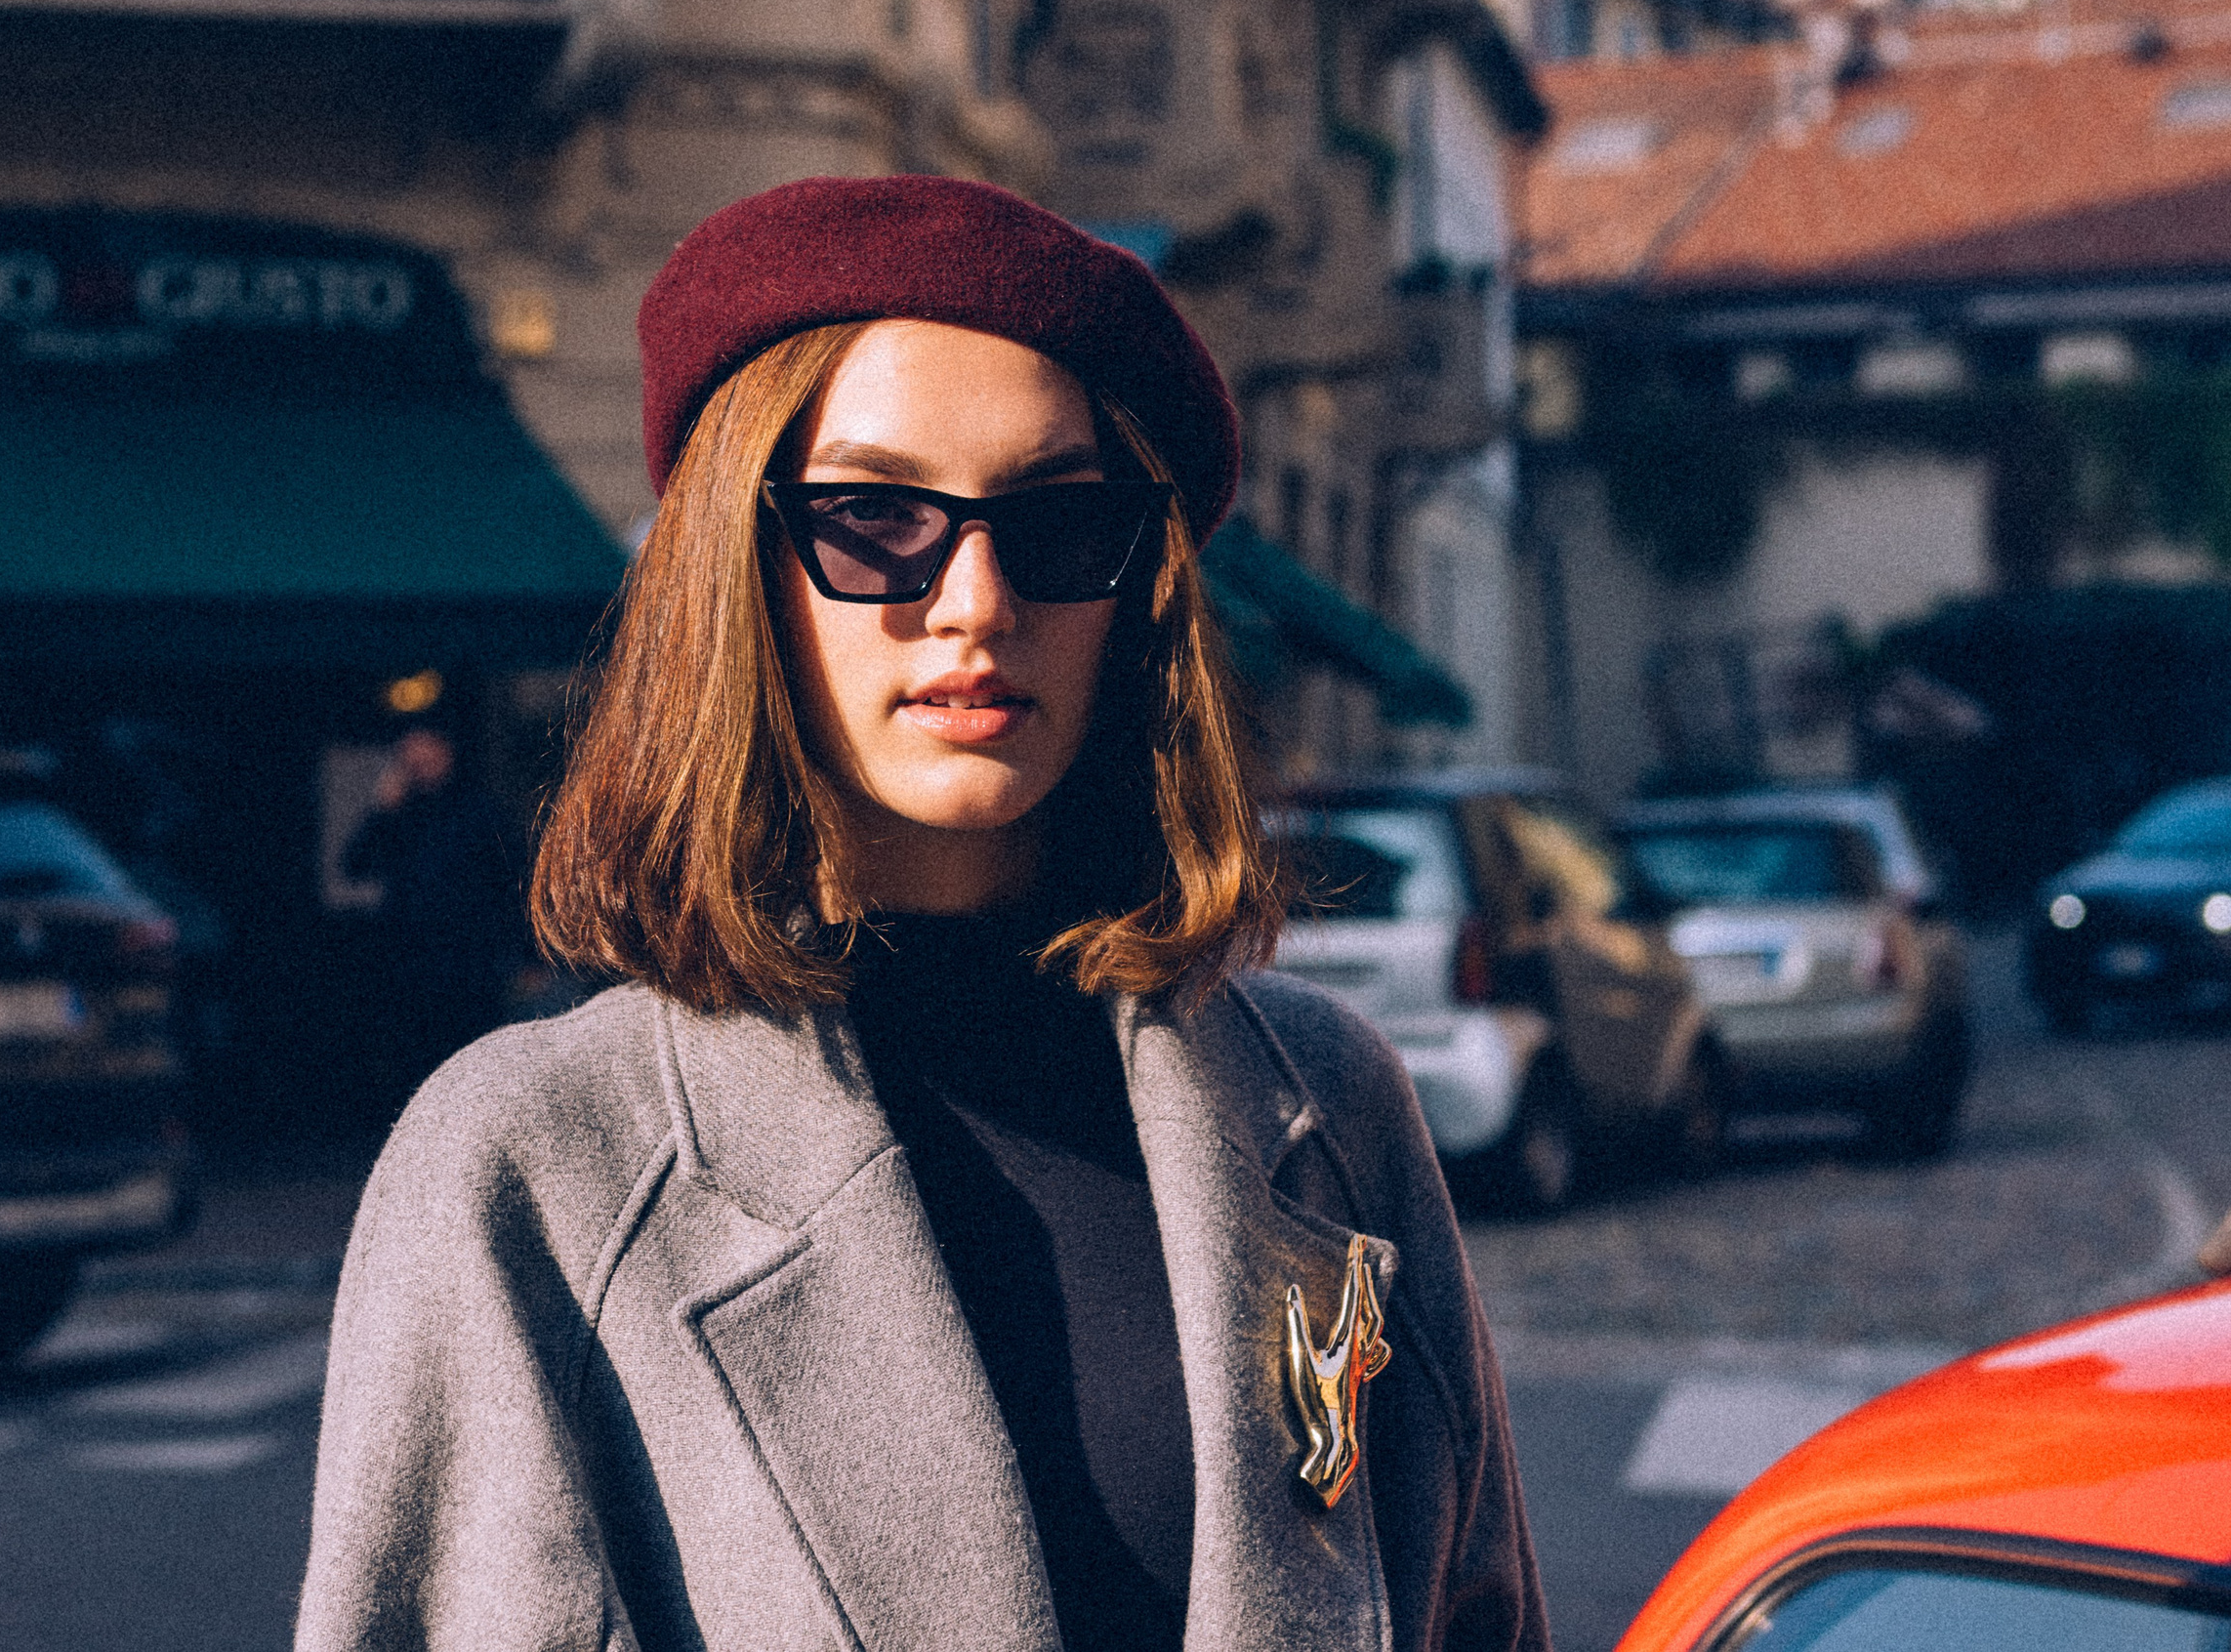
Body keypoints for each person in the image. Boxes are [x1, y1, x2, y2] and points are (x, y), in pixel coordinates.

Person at [297, 176, 1548, 1652]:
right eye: (876, 518)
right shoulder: (527, 1162)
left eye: (1057, 521)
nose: (974, 596)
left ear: (1137, 583)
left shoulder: (1327, 1105)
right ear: (735, 568)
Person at [337, 723, 516, 1092]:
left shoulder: (480, 811)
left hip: (470, 962)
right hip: (409, 964)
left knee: (473, 1062)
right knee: (417, 1067)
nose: (419, 761)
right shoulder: (399, 815)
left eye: (426, 750)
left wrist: (522, 956)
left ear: (446, 750)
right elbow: (353, 866)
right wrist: (382, 811)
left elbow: (512, 882)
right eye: (409, 754)